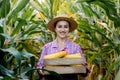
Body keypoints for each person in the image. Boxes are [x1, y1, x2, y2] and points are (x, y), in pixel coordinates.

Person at [37, 15, 89, 80]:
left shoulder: (76, 47)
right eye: (59, 27)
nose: (62, 30)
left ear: (69, 29)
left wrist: (82, 67)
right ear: (55, 29)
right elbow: (39, 67)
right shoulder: (47, 47)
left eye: (66, 27)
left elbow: (85, 72)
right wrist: (41, 71)